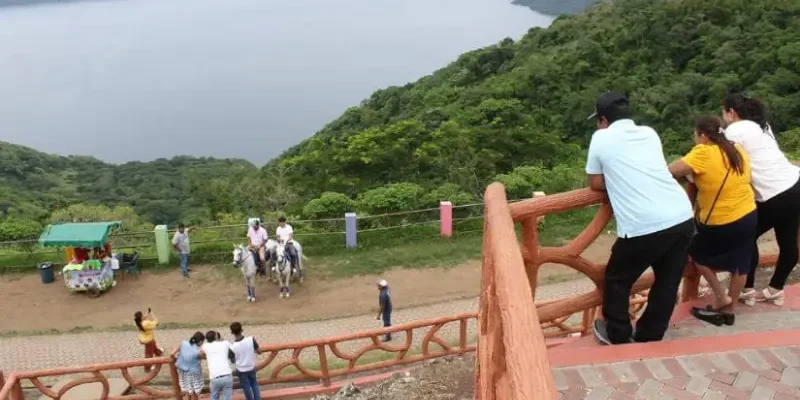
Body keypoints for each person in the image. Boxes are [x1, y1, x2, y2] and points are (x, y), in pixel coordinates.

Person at [585, 91, 694, 345]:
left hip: (644, 224)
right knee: (668, 280)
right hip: (681, 214)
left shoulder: (601, 138)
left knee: (617, 279)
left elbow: (595, 182)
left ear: (602, 119)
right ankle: (650, 333)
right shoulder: (649, 133)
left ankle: (617, 333)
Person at [669, 116, 757, 325]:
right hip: (748, 213)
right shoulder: (736, 149)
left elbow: (670, 170)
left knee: (696, 251)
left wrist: (690, 175)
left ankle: (721, 296)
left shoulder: (703, 151)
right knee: (741, 265)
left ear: (704, 135)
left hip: (722, 220)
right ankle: (730, 309)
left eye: (695, 135)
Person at [722, 92, 800, 307]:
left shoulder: (734, 130)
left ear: (731, 112)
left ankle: (747, 289)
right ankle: (775, 289)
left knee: (745, 236)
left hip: (774, 193)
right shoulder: (761, 126)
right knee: (788, 239)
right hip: (795, 183)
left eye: (724, 111)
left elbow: (722, 159)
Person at [229, 322, 263, 400]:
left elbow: (233, 360)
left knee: (246, 387)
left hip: (241, 370)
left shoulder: (232, 347)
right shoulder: (251, 339)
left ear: (232, 332)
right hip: (251, 367)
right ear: (242, 330)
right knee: (254, 384)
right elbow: (259, 351)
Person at [200, 331, 234, 400]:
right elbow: (233, 349)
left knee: (214, 397)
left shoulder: (205, 346)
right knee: (227, 398)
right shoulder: (225, 343)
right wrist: (221, 339)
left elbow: (200, 353)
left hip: (214, 378)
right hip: (227, 375)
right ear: (216, 336)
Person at [176, 332, 205, 400]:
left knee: (187, 391)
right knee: (194, 392)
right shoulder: (197, 351)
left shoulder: (184, 343)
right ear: (200, 341)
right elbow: (205, 357)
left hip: (182, 372)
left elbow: (172, 353)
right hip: (193, 373)